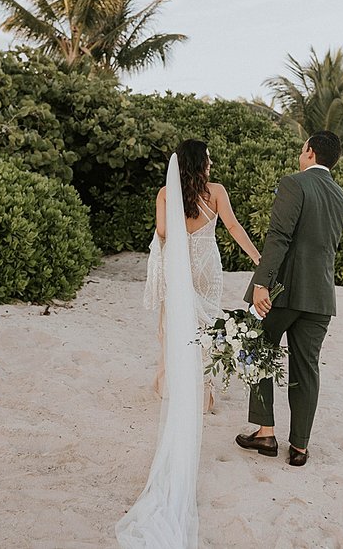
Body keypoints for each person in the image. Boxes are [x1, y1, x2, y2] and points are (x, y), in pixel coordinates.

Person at [115, 141, 263, 547]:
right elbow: (233, 228)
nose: (214, 162)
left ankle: (171, 379)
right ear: (204, 163)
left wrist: (173, 219)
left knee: (173, 326)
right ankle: (205, 391)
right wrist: (258, 259)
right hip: (208, 267)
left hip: (180, 266)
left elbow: (163, 234)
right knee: (208, 327)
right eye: (211, 157)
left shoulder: (167, 194)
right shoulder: (216, 192)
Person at [235, 132, 343, 467]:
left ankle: (266, 431)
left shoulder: (294, 183)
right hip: (321, 297)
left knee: (256, 346)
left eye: (302, 150)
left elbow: (279, 237)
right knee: (307, 367)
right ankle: (299, 446)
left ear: (310, 152)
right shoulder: (342, 198)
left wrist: (261, 284)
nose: (300, 155)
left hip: (284, 291)